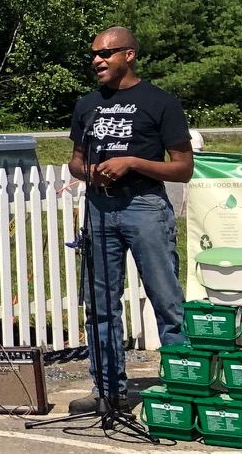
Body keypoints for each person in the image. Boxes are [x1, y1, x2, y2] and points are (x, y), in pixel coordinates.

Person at [70, 26, 193, 410]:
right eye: (93, 54)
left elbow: (184, 168)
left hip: (145, 206)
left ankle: (183, 388)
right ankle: (108, 391)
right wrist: (90, 172)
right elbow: (75, 160)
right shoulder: (87, 104)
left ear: (130, 55)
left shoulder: (160, 103)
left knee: (166, 300)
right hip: (99, 207)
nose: (97, 60)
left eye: (106, 54)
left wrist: (133, 163)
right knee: (100, 304)